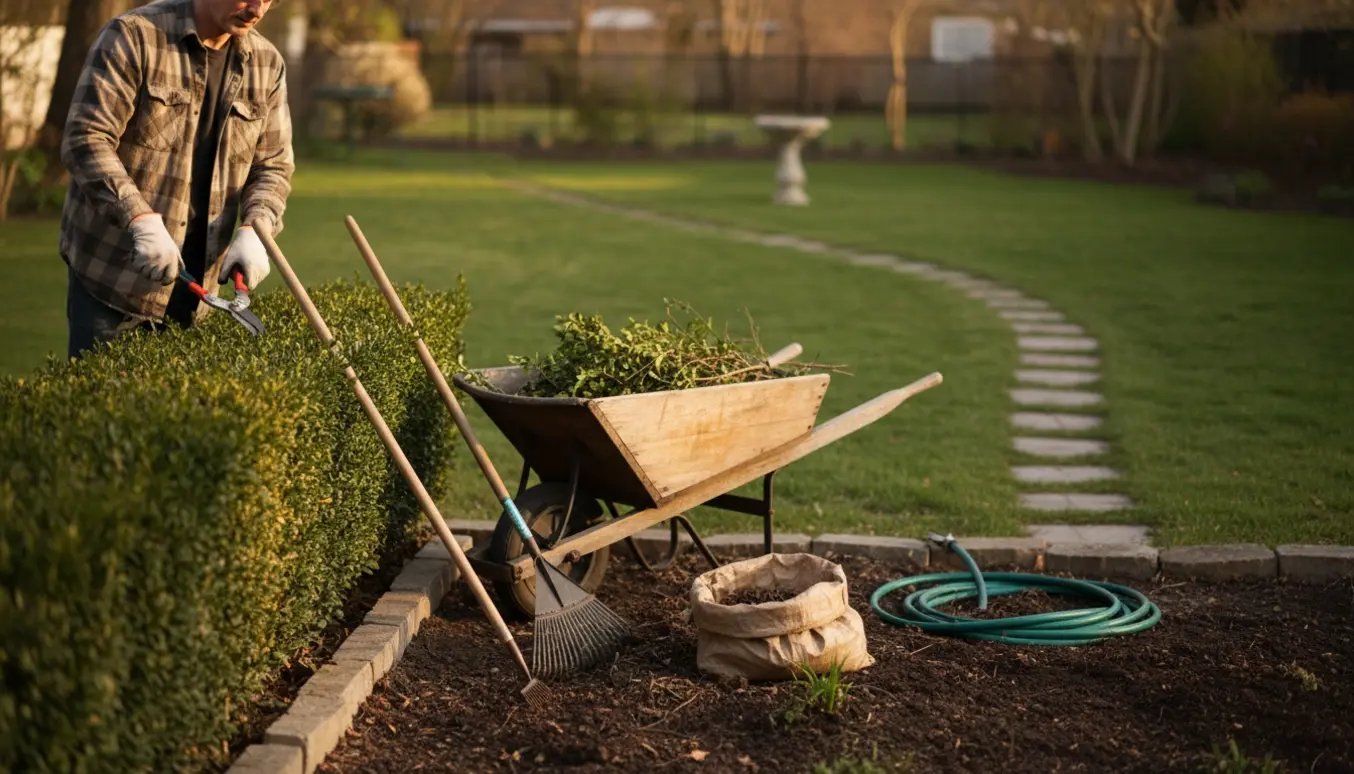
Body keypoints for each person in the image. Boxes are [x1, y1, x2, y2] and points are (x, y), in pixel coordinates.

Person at [59, 0, 293, 358]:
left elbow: (273, 166)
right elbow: (86, 140)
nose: (258, 8)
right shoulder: (135, 36)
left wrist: (255, 228)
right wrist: (137, 217)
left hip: (200, 299)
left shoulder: (267, 64)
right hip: (114, 285)